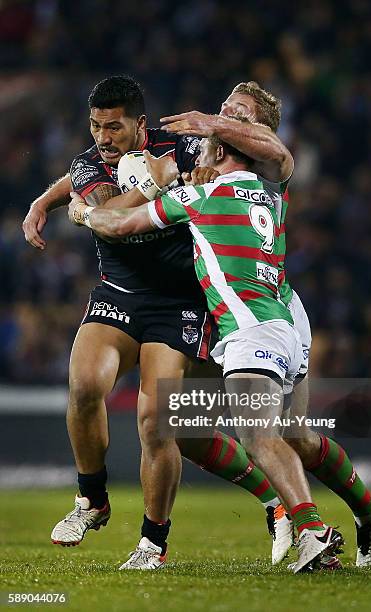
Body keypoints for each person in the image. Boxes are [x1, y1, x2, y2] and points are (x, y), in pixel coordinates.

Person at [21, 76, 290, 564]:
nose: (103, 138)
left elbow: (247, 159)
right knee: (83, 387)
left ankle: (152, 542)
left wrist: (197, 173)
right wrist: (52, 200)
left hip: (182, 301)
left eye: (114, 128)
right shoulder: (89, 162)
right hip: (119, 295)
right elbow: (102, 209)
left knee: (158, 422)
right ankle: (92, 499)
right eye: (95, 126)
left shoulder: (187, 147)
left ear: (140, 124)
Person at [68, 126, 345, 574]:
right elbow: (276, 155)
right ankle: (367, 512)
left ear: (221, 152)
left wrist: (81, 213)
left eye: (210, 148)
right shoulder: (271, 192)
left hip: (247, 331)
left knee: (256, 435)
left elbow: (118, 223)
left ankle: (313, 531)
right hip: (287, 320)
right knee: (216, 431)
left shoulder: (204, 196)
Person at [160, 82, 371, 568]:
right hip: (223, 308)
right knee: (226, 428)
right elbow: (156, 173)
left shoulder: (268, 166)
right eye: (224, 107)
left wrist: (213, 125)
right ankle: (338, 511)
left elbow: (277, 150)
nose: (225, 116)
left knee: (291, 436)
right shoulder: (207, 157)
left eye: (239, 114)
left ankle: (339, 518)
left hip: (273, 309)